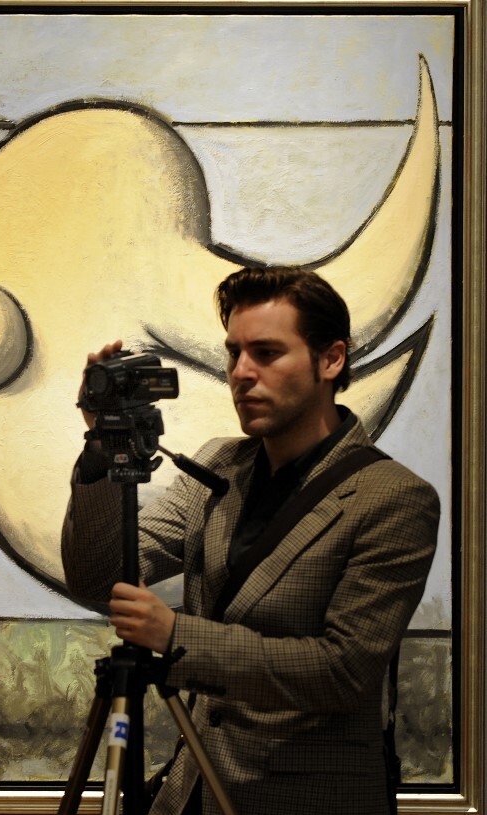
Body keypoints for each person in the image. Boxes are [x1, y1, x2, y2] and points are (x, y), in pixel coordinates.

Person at [61, 267, 440, 815]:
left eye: (266, 353)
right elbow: (99, 578)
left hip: (305, 802)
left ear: (331, 360)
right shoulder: (219, 466)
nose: (241, 373)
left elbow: (344, 672)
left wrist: (176, 635)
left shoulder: (393, 498)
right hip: (191, 789)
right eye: (234, 353)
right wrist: (101, 448)